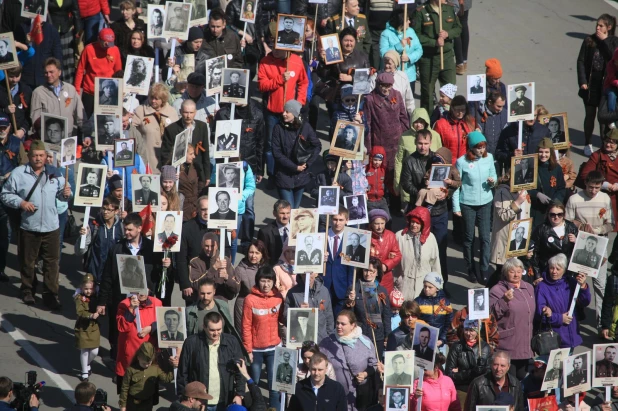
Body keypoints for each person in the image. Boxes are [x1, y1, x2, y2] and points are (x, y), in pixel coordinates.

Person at [0, 140, 71, 308]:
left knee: (52, 263)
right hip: (29, 226)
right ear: (29, 157)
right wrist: (21, 203)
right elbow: (5, 194)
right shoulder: (18, 173)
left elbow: (63, 196)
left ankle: (51, 294)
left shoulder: (55, 174)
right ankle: (28, 290)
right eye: (35, 156)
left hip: (51, 226)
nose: (38, 159)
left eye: (41, 155)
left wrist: (66, 193)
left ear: (46, 157)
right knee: (28, 261)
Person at [97, 213, 157, 360]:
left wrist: (150, 289)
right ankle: (118, 359)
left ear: (139, 228)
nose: (127, 233)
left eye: (130, 229)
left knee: (139, 331)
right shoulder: (117, 248)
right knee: (119, 330)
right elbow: (108, 276)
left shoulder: (150, 248)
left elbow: (156, 274)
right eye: (125, 229)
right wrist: (102, 301)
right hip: (121, 298)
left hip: (143, 299)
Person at [566, 170, 613, 321]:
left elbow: (610, 224)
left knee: (600, 285)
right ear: (585, 184)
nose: (593, 191)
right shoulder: (574, 199)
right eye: (591, 187)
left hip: (600, 244)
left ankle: (601, 322)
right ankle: (573, 314)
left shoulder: (605, 198)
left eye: (597, 188)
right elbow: (567, 222)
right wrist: (581, 227)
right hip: (580, 244)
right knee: (578, 281)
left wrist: (596, 230)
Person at [258, 48, 308, 182]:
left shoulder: (297, 61)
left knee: (291, 144)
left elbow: (303, 83)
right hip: (273, 112)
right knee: (270, 145)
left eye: (278, 49)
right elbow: (262, 85)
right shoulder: (265, 61)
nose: (274, 51)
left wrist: (299, 102)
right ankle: (272, 175)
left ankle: (288, 173)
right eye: (272, 46)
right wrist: (279, 79)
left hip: (291, 113)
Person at [453, 131, 497, 284]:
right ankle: (470, 268)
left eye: (483, 147)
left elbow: (494, 177)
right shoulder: (461, 162)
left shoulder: (489, 158)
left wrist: (492, 181)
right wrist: (455, 207)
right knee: (469, 238)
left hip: (485, 202)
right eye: (478, 147)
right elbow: (456, 186)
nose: (482, 150)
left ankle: (484, 268)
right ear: (471, 148)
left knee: (485, 237)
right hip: (468, 203)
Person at [177, 312, 246, 407]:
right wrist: (184, 398)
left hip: (224, 400)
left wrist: (239, 394)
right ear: (204, 327)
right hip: (199, 402)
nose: (216, 333)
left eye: (219, 329)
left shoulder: (232, 342)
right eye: (212, 330)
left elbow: (241, 371)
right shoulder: (191, 343)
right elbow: (182, 373)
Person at [242, 267, 284, 409]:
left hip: (274, 347)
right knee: (255, 382)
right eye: (263, 281)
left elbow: (283, 318)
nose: (266, 285)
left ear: (274, 282)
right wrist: (248, 350)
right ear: (257, 281)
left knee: (274, 384)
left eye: (269, 281)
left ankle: (274, 408)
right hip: (256, 350)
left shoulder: (278, 298)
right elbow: (246, 326)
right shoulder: (249, 300)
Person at [320, 310, 379, 411]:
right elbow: (319, 364)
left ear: (353, 325)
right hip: (336, 396)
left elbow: (374, 365)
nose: (339, 326)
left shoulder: (365, 342)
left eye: (343, 324)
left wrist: (365, 374)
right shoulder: (327, 343)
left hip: (359, 397)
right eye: (337, 323)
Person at [577, 15, 618, 155]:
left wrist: (604, 41)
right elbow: (581, 61)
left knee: (603, 118)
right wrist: (582, 81)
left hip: (605, 86)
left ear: (609, 27)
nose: (597, 28)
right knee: (589, 115)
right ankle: (587, 143)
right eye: (597, 24)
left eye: (601, 25)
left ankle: (603, 144)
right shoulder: (589, 41)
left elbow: (614, 58)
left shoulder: (614, 42)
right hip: (590, 85)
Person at [489, 258, 535, 380]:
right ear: (505, 273)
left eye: (519, 271)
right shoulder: (497, 290)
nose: (516, 275)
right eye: (512, 271)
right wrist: (504, 301)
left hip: (526, 343)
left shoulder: (529, 288)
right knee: (509, 382)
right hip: (508, 344)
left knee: (523, 381)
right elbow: (491, 315)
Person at [411, 0, 462, 111]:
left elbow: (458, 28)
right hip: (428, 58)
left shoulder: (449, 8)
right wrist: (433, 42)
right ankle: (427, 123)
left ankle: (449, 121)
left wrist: (448, 34)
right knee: (427, 94)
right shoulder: (421, 11)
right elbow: (415, 35)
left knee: (450, 92)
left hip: (447, 56)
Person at [364, 71, 410, 190]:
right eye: (383, 85)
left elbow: (403, 117)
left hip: (396, 141)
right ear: (378, 84)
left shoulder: (397, 95)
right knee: (381, 171)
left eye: (388, 85)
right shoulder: (370, 99)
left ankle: (394, 198)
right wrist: (368, 148)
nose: (386, 88)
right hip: (380, 142)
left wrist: (406, 138)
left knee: (396, 170)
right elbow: (367, 124)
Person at [271, 100, 321, 208]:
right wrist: (294, 167)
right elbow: (277, 153)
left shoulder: (305, 127)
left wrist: (307, 164)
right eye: (284, 110)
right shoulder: (278, 128)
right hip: (284, 175)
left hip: (301, 177)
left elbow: (317, 146)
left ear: (294, 113)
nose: (284, 113)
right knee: (289, 209)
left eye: (287, 111)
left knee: (295, 211)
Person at [536, 253, 591, 349]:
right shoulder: (542, 287)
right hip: (553, 338)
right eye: (551, 268)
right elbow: (539, 313)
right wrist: (560, 318)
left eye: (558, 269)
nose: (554, 271)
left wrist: (583, 286)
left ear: (564, 270)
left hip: (571, 334)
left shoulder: (570, 282)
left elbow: (585, 302)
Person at [346, 258, 391, 358]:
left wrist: (387, 335)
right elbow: (348, 315)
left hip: (377, 334)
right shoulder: (353, 288)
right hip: (359, 334)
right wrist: (350, 301)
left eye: (372, 271)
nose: (368, 274)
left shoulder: (382, 291)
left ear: (377, 273)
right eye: (366, 270)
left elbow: (386, 315)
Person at [394, 207, 441, 300]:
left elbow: (435, 263)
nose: (414, 225)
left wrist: (438, 285)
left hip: (424, 287)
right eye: (412, 222)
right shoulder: (399, 236)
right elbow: (393, 264)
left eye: (418, 223)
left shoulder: (431, 238)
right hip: (403, 286)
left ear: (424, 224)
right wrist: (396, 281)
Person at [31, 58, 84, 138]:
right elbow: (35, 119)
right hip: (49, 139)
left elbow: (80, 114)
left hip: (68, 137)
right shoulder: (38, 92)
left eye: (51, 72)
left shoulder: (70, 89)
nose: (48, 75)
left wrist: (85, 133)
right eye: (46, 73)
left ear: (59, 72)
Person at [74, 29, 122, 117]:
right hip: (90, 92)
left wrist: (119, 91)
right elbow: (80, 70)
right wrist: (77, 90)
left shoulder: (115, 50)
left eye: (110, 43)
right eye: (106, 43)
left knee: (105, 120)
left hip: (108, 93)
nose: (108, 46)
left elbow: (118, 73)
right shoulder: (89, 49)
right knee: (86, 120)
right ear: (99, 39)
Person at [162, 99, 210, 186]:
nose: (188, 116)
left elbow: (205, 152)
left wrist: (207, 175)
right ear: (180, 111)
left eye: (191, 113)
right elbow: (166, 154)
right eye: (185, 112)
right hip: (180, 172)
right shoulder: (171, 129)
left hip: (198, 171)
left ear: (195, 112)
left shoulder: (202, 126)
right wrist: (172, 172)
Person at [132, 83, 179, 172]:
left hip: (167, 159)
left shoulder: (172, 112)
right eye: (151, 98)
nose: (153, 101)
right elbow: (131, 131)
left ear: (163, 99)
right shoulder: (140, 111)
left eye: (156, 99)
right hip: (147, 158)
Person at [75, 197, 123, 283]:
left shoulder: (121, 228)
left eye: (109, 210)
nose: (105, 212)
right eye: (103, 209)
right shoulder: (94, 226)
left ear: (116, 211)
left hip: (113, 277)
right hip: (94, 275)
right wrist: (83, 237)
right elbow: (80, 251)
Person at [119, 341, 174, 409]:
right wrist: (123, 405)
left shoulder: (155, 369)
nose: (147, 365)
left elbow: (166, 379)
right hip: (133, 403)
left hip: (147, 403)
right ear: (138, 357)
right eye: (144, 363)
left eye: (149, 363)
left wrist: (174, 367)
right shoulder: (131, 370)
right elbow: (124, 388)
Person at [379, 8, 423, 92]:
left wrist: (409, 58)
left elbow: (419, 50)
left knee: (408, 102)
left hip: (409, 76)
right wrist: (398, 46)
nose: (409, 22)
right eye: (407, 20)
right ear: (401, 22)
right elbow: (383, 54)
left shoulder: (411, 31)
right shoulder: (386, 34)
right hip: (392, 76)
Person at [285, 272, 334, 343]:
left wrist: (330, 336)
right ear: (300, 275)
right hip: (303, 340)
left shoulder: (324, 291)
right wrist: (298, 311)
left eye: (310, 273)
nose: (307, 277)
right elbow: (286, 318)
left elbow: (329, 315)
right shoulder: (292, 293)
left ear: (316, 274)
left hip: (322, 340)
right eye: (304, 274)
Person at [188, 232, 238, 302]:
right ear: (202, 245)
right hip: (202, 302)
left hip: (221, 302)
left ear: (217, 245)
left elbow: (236, 288)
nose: (209, 249)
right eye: (206, 246)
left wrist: (227, 277)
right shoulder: (195, 262)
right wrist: (214, 268)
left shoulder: (225, 260)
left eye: (212, 246)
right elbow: (195, 284)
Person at [324, 207, 356, 316]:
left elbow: (352, 268)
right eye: (335, 219)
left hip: (342, 289)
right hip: (324, 287)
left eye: (341, 220)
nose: (337, 223)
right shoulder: (322, 236)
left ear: (347, 220)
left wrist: (351, 289)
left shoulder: (351, 238)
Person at [445, 319, 492, 390]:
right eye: (466, 330)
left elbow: (490, 370)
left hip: (481, 388)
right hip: (462, 388)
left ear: (477, 331)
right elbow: (449, 374)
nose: (468, 333)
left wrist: (482, 369)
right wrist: (471, 372)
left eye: (471, 330)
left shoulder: (485, 347)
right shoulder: (456, 347)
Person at [74, 274, 101, 382]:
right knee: (84, 350)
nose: (89, 291)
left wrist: (101, 311)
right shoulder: (79, 298)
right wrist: (90, 315)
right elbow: (79, 311)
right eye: (86, 288)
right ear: (81, 288)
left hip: (94, 327)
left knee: (94, 351)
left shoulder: (97, 297)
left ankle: (88, 363)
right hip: (83, 326)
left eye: (91, 288)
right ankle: (84, 371)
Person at [434, 95, 477, 161]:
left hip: (465, 162)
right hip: (448, 162)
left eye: (463, 110)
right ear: (452, 109)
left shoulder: (471, 122)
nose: (460, 113)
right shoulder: (441, 124)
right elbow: (436, 145)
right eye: (457, 110)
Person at [369, 208, 402, 294]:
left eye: (382, 223)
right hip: (368, 275)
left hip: (386, 277)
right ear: (371, 223)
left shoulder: (390, 236)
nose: (380, 227)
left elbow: (398, 255)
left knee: (385, 302)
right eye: (376, 224)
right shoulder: (365, 235)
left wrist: (386, 265)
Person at [257, 200, 291, 266]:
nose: (286, 216)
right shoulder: (265, 232)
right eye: (282, 213)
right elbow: (263, 255)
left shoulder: (298, 228)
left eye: (288, 213)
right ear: (274, 213)